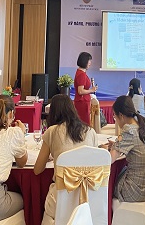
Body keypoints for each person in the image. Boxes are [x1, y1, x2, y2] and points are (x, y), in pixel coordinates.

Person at [35, 94, 98, 224]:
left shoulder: (52, 131)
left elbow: (37, 170)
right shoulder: (90, 131)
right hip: (88, 197)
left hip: (61, 197)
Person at [107, 96, 145, 202]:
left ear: (121, 115)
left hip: (136, 191)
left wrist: (105, 149)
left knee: (109, 182)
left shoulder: (129, 130)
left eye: (115, 117)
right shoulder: (143, 124)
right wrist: (117, 145)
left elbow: (109, 159)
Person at [73, 52, 98, 125]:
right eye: (89, 61)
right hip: (82, 102)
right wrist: (91, 90)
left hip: (83, 101)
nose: (90, 63)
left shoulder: (80, 72)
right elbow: (80, 91)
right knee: (84, 123)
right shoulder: (81, 74)